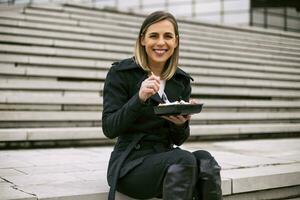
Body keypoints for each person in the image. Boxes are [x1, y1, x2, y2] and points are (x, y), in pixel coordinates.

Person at [102, 11, 222, 200]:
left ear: (176, 42)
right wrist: (139, 98)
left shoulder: (181, 80)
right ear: (142, 39)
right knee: (184, 159)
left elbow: (179, 140)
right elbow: (109, 128)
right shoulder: (121, 73)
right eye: (153, 36)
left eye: (167, 36)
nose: (160, 42)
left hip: (165, 157)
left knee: (205, 160)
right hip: (129, 164)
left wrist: (181, 123)